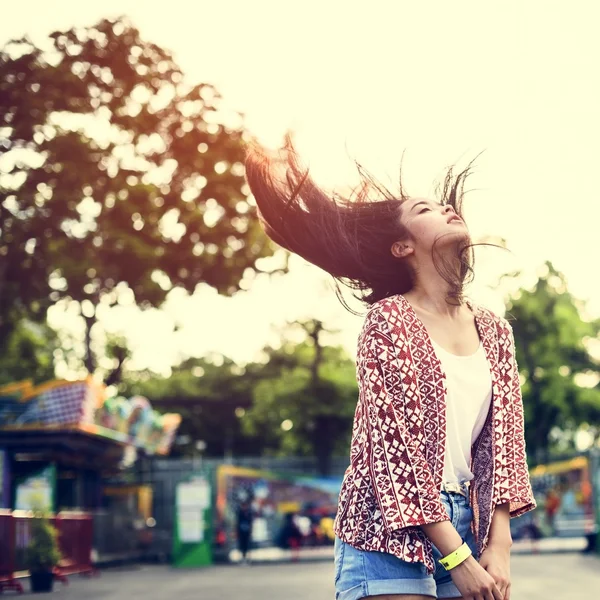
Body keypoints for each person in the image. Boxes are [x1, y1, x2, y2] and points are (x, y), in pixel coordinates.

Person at [245, 135, 536, 600]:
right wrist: (456, 558)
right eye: (425, 210)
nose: (445, 209)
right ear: (402, 247)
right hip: (383, 527)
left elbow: (503, 447)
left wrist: (498, 545)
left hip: (467, 521)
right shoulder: (388, 321)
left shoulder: (495, 331)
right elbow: (395, 453)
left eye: (442, 205)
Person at [235, 499, 254, 565]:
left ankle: (247, 559)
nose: (244, 507)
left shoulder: (249, 513)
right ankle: (242, 558)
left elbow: (251, 522)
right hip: (241, 532)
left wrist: (251, 531)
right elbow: (237, 523)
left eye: (245, 505)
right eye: (243, 505)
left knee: (247, 545)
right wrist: (237, 531)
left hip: (247, 532)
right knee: (241, 545)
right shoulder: (240, 513)